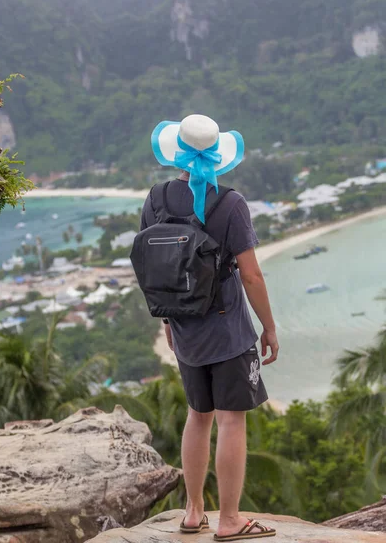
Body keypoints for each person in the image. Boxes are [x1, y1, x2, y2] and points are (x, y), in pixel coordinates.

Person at [140, 115, 279, 541]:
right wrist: (269, 327)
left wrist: (167, 318)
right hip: (227, 328)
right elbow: (252, 276)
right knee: (231, 420)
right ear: (218, 153)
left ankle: (193, 511)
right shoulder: (229, 202)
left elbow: (154, 266)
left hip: (184, 326)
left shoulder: (157, 197)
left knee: (197, 416)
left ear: (177, 152)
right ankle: (231, 519)